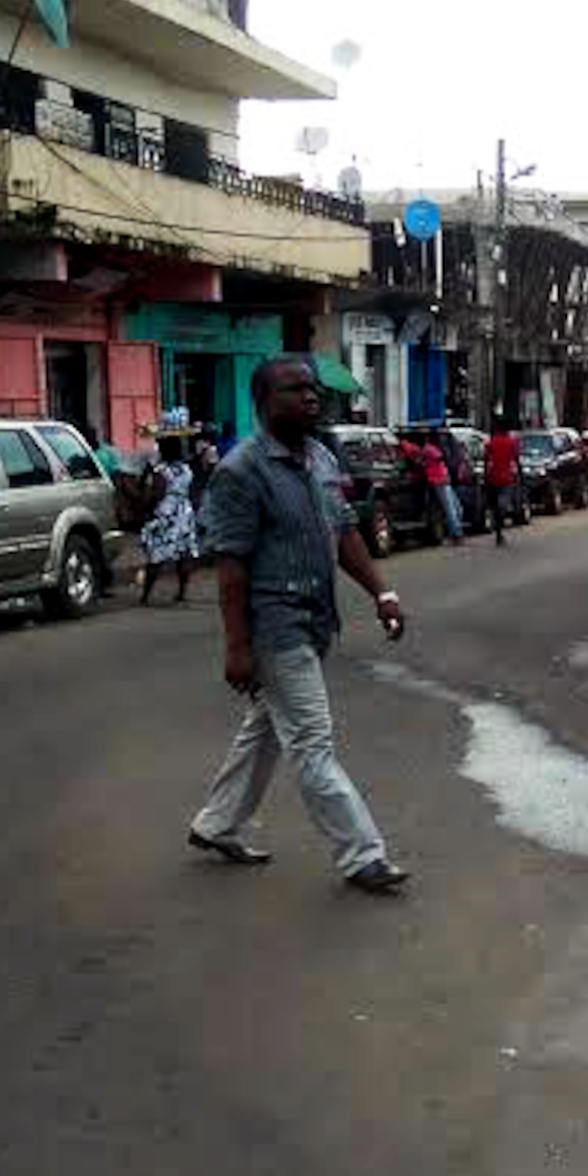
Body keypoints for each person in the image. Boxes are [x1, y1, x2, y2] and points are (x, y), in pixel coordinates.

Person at [188, 355, 409, 895]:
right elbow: (231, 567)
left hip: (314, 621)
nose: (310, 397)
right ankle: (363, 855)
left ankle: (215, 823)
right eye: (295, 390)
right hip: (274, 627)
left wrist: (382, 591)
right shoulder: (240, 472)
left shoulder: (319, 458)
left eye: (312, 389)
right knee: (311, 741)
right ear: (264, 403)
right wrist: (237, 646)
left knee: (266, 729)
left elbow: (346, 533)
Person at [139, 434, 199, 604]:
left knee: (155, 555)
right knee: (183, 553)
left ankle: (145, 595)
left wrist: (147, 505)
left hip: (166, 512)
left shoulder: (161, 471)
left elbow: (157, 494)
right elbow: (191, 491)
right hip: (184, 512)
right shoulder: (187, 469)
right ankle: (182, 591)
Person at [401, 430, 464, 543]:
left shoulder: (427, 450)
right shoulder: (430, 449)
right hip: (441, 480)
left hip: (439, 480)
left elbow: (422, 462)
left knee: (451, 508)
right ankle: (456, 533)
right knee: (453, 508)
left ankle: (456, 533)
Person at [483, 415, 520, 546]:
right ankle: (500, 528)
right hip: (506, 478)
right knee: (502, 504)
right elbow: (516, 459)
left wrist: (485, 475)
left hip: (492, 477)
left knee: (494, 505)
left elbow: (486, 460)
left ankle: (497, 529)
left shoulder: (491, 442)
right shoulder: (511, 442)